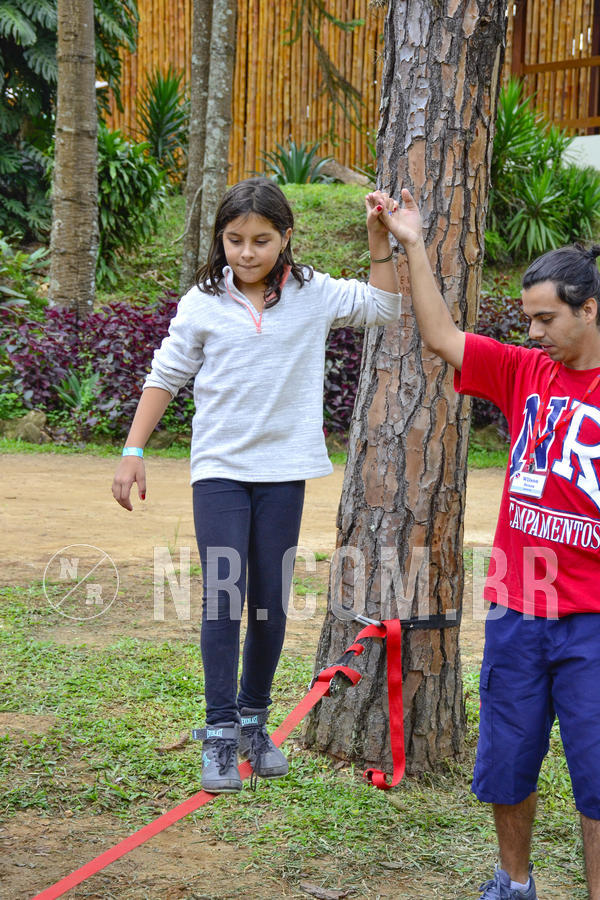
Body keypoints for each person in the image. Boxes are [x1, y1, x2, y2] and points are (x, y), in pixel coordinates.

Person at [112, 177, 401, 793]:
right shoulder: (203, 301)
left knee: (268, 600)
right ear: (221, 240)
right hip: (218, 469)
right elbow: (166, 374)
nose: (247, 252)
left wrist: (379, 240)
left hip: (282, 473)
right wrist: (133, 449)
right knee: (223, 594)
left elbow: (386, 307)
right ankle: (217, 732)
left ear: (285, 237)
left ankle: (252, 722)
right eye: (235, 239)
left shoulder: (313, 293)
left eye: (261, 240)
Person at [378, 189, 600, 900]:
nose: (533, 332)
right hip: (519, 604)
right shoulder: (524, 371)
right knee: (508, 760)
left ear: (589, 309)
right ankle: (514, 881)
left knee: (598, 777)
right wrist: (412, 242)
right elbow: (443, 336)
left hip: (594, 619)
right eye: (528, 318)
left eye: (546, 318)